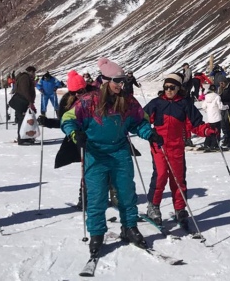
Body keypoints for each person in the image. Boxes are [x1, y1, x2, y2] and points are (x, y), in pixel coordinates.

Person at [61, 57, 163, 254]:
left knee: (126, 193)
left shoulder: (128, 101)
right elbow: (68, 118)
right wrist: (75, 134)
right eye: (117, 81)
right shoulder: (89, 101)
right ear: (106, 81)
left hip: (120, 152)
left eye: (123, 80)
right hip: (95, 153)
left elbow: (139, 121)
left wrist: (148, 133)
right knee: (97, 196)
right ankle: (97, 233)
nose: (121, 84)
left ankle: (129, 227)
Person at [143, 73, 213, 227]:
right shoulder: (156, 103)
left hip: (176, 147)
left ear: (178, 88)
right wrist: (150, 132)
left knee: (178, 178)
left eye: (172, 87)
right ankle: (153, 206)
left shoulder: (185, 104)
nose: (168, 90)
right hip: (159, 146)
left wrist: (207, 131)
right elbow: (141, 120)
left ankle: (180, 208)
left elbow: (195, 124)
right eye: (166, 87)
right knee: (161, 175)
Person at [38, 70, 93, 207]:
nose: (78, 94)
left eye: (81, 90)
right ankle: (85, 198)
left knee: (103, 167)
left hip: (97, 136)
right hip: (79, 139)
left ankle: (112, 193)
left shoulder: (95, 96)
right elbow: (63, 122)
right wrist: (48, 122)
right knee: (87, 168)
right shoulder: (67, 101)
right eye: (75, 92)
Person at [12, 66, 37, 145]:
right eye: (34, 72)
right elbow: (25, 91)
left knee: (24, 120)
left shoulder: (25, 78)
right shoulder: (25, 78)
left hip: (23, 102)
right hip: (22, 102)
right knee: (21, 120)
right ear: (31, 72)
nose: (34, 74)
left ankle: (25, 137)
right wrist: (30, 102)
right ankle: (21, 139)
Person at [199, 85, 224, 152]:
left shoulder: (207, 97)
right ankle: (215, 145)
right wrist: (226, 107)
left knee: (210, 131)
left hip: (210, 118)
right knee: (217, 132)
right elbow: (220, 106)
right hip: (217, 117)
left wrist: (207, 110)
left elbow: (203, 106)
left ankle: (207, 144)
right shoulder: (217, 97)